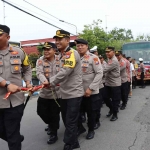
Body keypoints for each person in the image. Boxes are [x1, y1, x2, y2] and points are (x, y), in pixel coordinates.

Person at [49, 30, 84, 150]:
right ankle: (79, 130)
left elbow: (65, 71)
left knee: (70, 120)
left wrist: (51, 81)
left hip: (74, 92)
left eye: (60, 39)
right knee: (66, 118)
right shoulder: (60, 54)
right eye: (56, 39)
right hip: (64, 93)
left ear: (67, 40)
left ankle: (71, 143)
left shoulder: (71, 53)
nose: (57, 42)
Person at [0, 24, 32, 150]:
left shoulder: (19, 52)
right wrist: (7, 84)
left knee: (12, 133)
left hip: (15, 102)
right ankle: (16, 138)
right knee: (5, 132)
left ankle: (15, 141)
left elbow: (27, 68)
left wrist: (28, 81)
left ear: (8, 37)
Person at [75, 39, 103, 139]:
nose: (80, 47)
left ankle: (91, 130)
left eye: (82, 45)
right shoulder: (74, 57)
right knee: (77, 112)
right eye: (78, 45)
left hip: (91, 91)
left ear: (87, 46)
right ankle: (80, 128)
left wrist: (90, 88)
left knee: (91, 113)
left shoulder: (93, 58)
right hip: (77, 91)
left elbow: (99, 73)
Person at [36, 42, 61, 144]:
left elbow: (63, 73)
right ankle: (50, 124)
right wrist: (44, 80)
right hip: (44, 92)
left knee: (54, 114)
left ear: (54, 50)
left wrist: (52, 81)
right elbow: (39, 72)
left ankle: (53, 134)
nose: (46, 51)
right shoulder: (40, 60)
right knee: (40, 111)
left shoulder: (61, 59)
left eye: (48, 49)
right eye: (44, 49)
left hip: (57, 93)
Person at [103, 46, 121, 121]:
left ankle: (115, 114)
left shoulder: (114, 60)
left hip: (114, 83)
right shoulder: (109, 59)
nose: (107, 53)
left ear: (113, 52)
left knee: (115, 100)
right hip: (108, 82)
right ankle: (111, 109)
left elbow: (105, 69)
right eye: (106, 52)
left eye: (108, 52)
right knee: (105, 97)